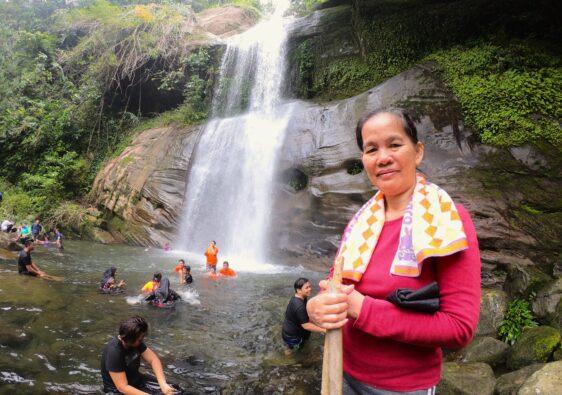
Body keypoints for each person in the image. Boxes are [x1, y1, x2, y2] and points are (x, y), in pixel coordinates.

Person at [306, 108, 481, 394]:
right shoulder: (361, 221)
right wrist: (315, 308)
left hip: (402, 388)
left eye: (395, 144)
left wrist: (363, 310)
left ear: (418, 151)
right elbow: (334, 289)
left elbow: (459, 328)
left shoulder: (448, 220)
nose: (383, 157)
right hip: (342, 372)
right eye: (371, 149)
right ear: (363, 159)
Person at [100, 315, 180, 394]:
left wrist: (163, 384)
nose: (143, 339)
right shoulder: (114, 353)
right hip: (118, 391)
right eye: (140, 339)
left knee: (175, 390)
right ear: (130, 339)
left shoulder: (136, 343)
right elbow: (123, 387)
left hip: (136, 380)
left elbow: (153, 360)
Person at [282, 278, 325, 351]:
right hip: (293, 337)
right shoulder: (299, 306)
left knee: (298, 346)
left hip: (289, 331)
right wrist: (324, 330)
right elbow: (306, 326)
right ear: (298, 290)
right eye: (307, 288)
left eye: (310, 286)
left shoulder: (298, 297)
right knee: (293, 351)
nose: (310, 289)